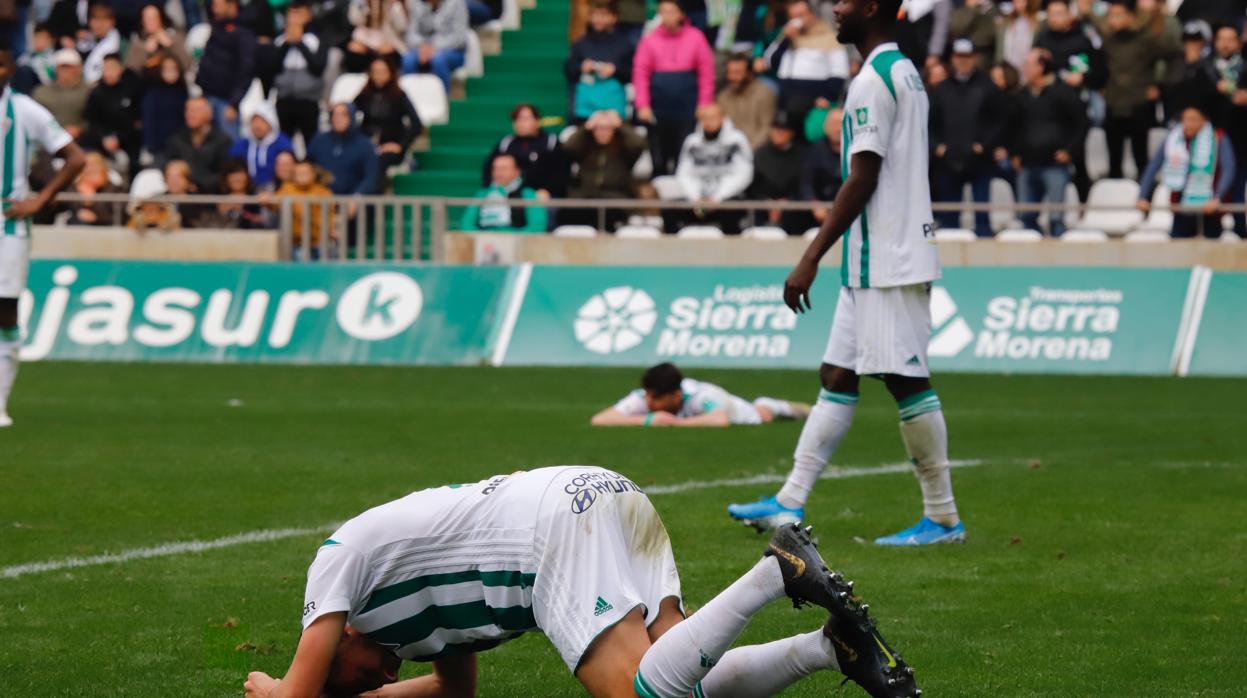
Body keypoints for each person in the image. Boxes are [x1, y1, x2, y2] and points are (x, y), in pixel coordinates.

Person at [241, 467, 920, 698]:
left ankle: (776, 570)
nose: (375, 681)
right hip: (603, 496)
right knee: (684, 682)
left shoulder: (337, 566)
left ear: (338, 644)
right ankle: (828, 649)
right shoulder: (414, 638)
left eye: (354, 680)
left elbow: (294, 693)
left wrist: (277, 687)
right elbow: (453, 693)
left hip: (549, 534)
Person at [728, 0, 966, 547]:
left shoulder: (874, 80)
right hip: (872, 259)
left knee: (907, 381)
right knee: (837, 375)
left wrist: (810, 256)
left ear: (877, 7)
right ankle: (788, 502)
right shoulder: (899, 69)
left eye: (847, 0)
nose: (835, 7)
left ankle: (945, 517)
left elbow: (863, 175)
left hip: (888, 257)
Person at [0, 39, 87, 428]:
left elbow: (75, 157)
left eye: (1, 65)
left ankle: (0, 402)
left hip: (7, 224)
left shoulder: (25, 110)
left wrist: (41, 200)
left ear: (9, 69)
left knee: (4, 312)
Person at [1087, 0, 1180, 179]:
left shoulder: (1146, 38)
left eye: (1118, 15)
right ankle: (1114, 198)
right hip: (1113, 103)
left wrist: (1159, 86)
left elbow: (1173, 55)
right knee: (1114, 159)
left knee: (1141, 157)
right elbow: (1097, 64)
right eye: (1111, 16)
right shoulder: (1108, 38)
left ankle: (1143, 197)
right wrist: (1100, 85)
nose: (1113, 20)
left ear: (1130, 16)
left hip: (1139, 103)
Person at [1033, 0, 1107, 202]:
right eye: (1051, 13)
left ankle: (1085, 203)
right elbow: (1036, 71)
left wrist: (1083, 78)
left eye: (1059, 12)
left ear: (1069, 14)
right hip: (1049, 108)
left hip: (1076, 104)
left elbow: (1101, 72)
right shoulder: (1042, 39)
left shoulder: (1084, 38)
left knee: (1079, 158)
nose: (1055, 17)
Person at [929, 38, 1004, 237]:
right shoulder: (942, 89)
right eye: (959, 57)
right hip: (949, 160)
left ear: (975, 58)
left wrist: (984, 145)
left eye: (967, 57)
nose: (963, 61)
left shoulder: (987, 86)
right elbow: (930, 124)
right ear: (953, 59)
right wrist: (937, 147)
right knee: (950, 217)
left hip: (979, 161)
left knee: (982, 214)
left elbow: (999, 120)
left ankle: (984, 257)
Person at [632, 0, 715, 175]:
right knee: (659, 159)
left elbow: (706, 72)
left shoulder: (696, 37)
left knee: (684, 158)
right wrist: (643, 105)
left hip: (687, 109)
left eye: (671, 12)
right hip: (658, 110)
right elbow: (640, 74)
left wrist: (704, 103)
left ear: (681, 15)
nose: (667, 16)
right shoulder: (649, 40)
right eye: (663, 12)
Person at [592, 362, 810, 427]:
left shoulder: (702, 396)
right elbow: (600, 419)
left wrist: (675, 423)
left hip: (739, 410)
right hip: (708, 410)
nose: (649, 402)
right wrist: (649, 419)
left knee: (763, 414)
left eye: (656, 399)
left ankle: (774, 405)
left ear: (676, 395)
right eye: (648, 397)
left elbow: (720, 419)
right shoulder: (646, 397)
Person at [1011, 48, 1086, 236]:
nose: (1025, 69)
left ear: (1041, 67)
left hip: (1054, 164)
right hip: (1027, 164)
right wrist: (1015, 153)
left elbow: (1082, 123)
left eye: (1028, 65)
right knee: (1026, 218)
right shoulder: (1021, 95)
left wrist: (1069, 151)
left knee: (1056, 219)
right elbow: (1013, 127)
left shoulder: (1063, 92)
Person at [1137, 103, 1237, 238]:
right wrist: (1142, 196)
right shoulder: (1174, 139)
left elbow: (1228, 169)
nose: (1188, 124)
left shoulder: (1218, 138)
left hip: (1210, 208)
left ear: (1204, 120)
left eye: (1193, 119)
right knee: (1179, 250)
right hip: (1181, 206)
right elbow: (1153, 166)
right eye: (1185, 119)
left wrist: (1218, 197)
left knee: (1211, 253)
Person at [761, 0, 850, 124]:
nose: (796, 20)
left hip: (813, 100)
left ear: (812, 14)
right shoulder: (786, 37)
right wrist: (786, 40)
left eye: (800, 15)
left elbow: (840, 71)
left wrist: (827, 96)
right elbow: (770, 61)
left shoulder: (828, 37)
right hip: (786, 97)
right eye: (792, 17)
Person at [671, 102, 754, 235]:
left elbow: (744, 174)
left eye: (712, 118)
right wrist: (696, 198)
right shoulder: (692, 142)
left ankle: (733, 253)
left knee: (733, 209)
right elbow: (683, 173)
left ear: (723, 119)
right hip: (697, 200)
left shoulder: (736, 140)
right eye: (704, 118)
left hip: (725, 198)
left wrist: (717, 197)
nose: (708, 122)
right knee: (671, 209)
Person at [563, 109, 647, 229]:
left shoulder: (624, 150)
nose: (602, 132)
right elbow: (568, 147)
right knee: (567, 214)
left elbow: (639, 144)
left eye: (607, 128)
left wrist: (621, 125)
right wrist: (586, 127)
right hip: (586, 197)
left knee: (610, 216)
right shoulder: (585, 147)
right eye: (598, 128)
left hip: (616, 198)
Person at [354, 55, 423, 184]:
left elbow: (417, 124)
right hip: (367, 144)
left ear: (391, 73)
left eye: (382, 71)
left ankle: (372, 199)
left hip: (390, 146)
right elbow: (349, 114)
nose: (378, 75)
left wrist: (400, 145)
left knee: (377, 162)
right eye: (375, 71)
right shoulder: (364, 95)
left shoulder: (399, 96)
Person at [196, 0, 257, 140]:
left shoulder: (243, 30)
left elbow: (247, 69)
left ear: (232, 4)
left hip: (226, 101)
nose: (214, 5)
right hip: (207, 95)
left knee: (230, 146)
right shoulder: (217, 26)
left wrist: (234, 102)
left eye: (219, 2)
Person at [270, 0, 328, 148]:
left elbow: (318, 67)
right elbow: (272, 67)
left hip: (308, 101)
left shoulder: (316, 39)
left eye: (299, 14)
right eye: (292, 14)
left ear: (308, 15)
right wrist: (288, 43)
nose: (294, 18)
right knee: (284, 144)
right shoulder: (279, 40)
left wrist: (300, 42)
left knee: (311, 144)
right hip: (284, 99)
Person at [566, 0, 633, 123]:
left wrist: (615, 70)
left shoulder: (625, 44)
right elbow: (569, 70)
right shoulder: (581, 43)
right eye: (594, 15)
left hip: (615, 109)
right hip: (585, 108)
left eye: (603, 15)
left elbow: (633, 73)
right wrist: (582, 67)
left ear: (614, 17)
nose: (598, 19)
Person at [482, 104, 567, 198]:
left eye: (526, 119)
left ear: (538, 121)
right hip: (508, 194)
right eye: (517, 119)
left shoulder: (551, 142)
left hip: (542, 195)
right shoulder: (506, 144)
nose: (521, 123)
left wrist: (548, 190)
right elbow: (488, 170)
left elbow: (561, 172)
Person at [750, 111, 813, 235]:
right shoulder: (759, 154)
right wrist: (766, 202)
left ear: (792, 133)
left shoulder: (804, 155)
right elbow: (753, 187)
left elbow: (805, 185)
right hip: (763, 210)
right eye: (776, 128)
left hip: (795, 213)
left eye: (784, 129)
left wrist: (788, 201)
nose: (779, 132)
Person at [82, 53, 142, 173]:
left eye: (112, 68)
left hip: (127, 140)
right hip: (101, 142)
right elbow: (92, 121)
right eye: (105, 68)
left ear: (120, 68)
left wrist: (118, 138)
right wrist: (104, 138)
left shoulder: (132, 89)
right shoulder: (96, 93)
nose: (108, 72)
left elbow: (135, 120)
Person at [161, 96, 235, 194]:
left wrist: (196, 184)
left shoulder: (222, 141)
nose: (190, 114)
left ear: (210, 114)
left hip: (211, 198)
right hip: (180, 196)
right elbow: (167, 166)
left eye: (195, 110)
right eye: (187, 110)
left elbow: (224, 175)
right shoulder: (177, 139)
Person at [307, 102, 380, 199]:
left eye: (344, 114)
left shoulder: (365, 145)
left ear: (352, 117)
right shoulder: (319, 140)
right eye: (335, 114)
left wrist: (357, 196)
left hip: (354, 204)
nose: (338, 118)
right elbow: (307, 166)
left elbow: (371, 177)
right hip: (321, 201)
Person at [461, 153, 548, 232]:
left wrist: (509, 239)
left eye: (504, 168)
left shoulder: (527, 194)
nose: (499, 173)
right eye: (496, 169)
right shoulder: (482, 194)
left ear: (517, 172)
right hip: (484, 244)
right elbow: (466, 224)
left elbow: (537, 226)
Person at [401, 0, 468, 92]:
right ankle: (408, 100)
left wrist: (433, 47)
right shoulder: (415, 3)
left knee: (438, 60)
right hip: (421, 48)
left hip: (451, 50)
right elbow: (411, 34)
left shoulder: (457, 3)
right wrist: (423, 45)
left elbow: (459, 38)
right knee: (408, 59)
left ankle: (443, 101)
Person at [275, 159, 336, 258]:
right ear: (293, 175)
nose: (302, 176)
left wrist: (331, 228)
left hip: (318, 241)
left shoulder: (322, 192)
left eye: (306, 173)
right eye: (299, 173)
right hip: (296, 241)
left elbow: (330, 213)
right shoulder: (287, 189)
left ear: (313, 174)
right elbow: (275, 202)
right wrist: (267, 200)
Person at [717, 52, 776, 150]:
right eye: (729, 72)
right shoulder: (724, 96)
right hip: (726, 150)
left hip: (754, 148)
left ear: (750, 73)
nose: (732, 77)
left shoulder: (764, 93)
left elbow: (767, 128)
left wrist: (747, 150)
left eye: (737, 73)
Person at [228, 103, 294, 189]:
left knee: (284, 159)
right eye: (254, 121)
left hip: (275, 187)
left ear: (271, 123)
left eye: (262, 121)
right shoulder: (244, 142)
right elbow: (232, 163)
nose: (257, 126)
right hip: (248, 188)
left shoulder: (282, 142)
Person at [33, 48, 89, 138]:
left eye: (69, 67)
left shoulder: (89, 91)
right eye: (62, 67)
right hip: (48, 141)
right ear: (56, 69)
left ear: (79, 69)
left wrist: (80, 129)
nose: (66, 71)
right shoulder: (41, 92)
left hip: (82, 141)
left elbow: (96, 120)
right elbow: (34, 119)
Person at [123, 3, 191, 78]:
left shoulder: (175, 37)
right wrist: (145, 51)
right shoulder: (137, 42)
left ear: (161, 19)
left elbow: (187, 65)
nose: (150, 22)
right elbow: (130, 72)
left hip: (176, 85)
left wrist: (171, 46)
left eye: (154, 18)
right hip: (147, 85)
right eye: (147, 18)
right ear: (142, 21)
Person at [140, 54, 187, 159]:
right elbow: (149, 122)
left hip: (181, 145)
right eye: (166, 69)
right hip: (159, 147)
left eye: (174, 68)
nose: (170, 72)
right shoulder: (153, 93)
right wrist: (151, 147)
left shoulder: (183, 91)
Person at [802, 106, 844, 222]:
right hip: (820, 210)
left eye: (842, 124)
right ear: (826, 127)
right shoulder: (814, 151)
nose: (838, 129)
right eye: (834, 124)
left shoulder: (857, 151)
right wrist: (814, 203)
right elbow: (806, 183)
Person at [343, 0, 408, 74]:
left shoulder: (392, 3)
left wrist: (395, 5)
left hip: (387, 38)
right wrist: (361, 5)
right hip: (364, 37)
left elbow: (401, 26)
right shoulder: (360, 2)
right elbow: (354, 21)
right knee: (354, 50)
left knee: (389, 52)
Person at [66, 151, 124, 225]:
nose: (91, 169)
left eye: (95, 165)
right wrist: (83, 198)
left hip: (105, 228)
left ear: (103, 168)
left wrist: (92, 200)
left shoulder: (115, 189)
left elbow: (117, 216)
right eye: (87, 167)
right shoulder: (74, 187)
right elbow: (69, 209)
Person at [948, 0, 998, 71]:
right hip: (960, 54)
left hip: (982, 55)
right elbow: (957, 28)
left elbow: (991, 34)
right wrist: (972, 9)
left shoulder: (992, 9)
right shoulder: (959, 8)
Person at [81, 1, 121, 84]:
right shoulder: (84, 42)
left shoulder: (121, 45)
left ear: (112, 22)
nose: (98, 24)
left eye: (103, 20)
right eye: (95, 19)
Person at [13, 23, 57, 94]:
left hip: (46, 90)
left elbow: (49, 80)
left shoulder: (56, 58)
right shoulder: (25, 58)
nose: (39, 41)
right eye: (36, 37)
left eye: (43, 38)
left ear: (52, 40)